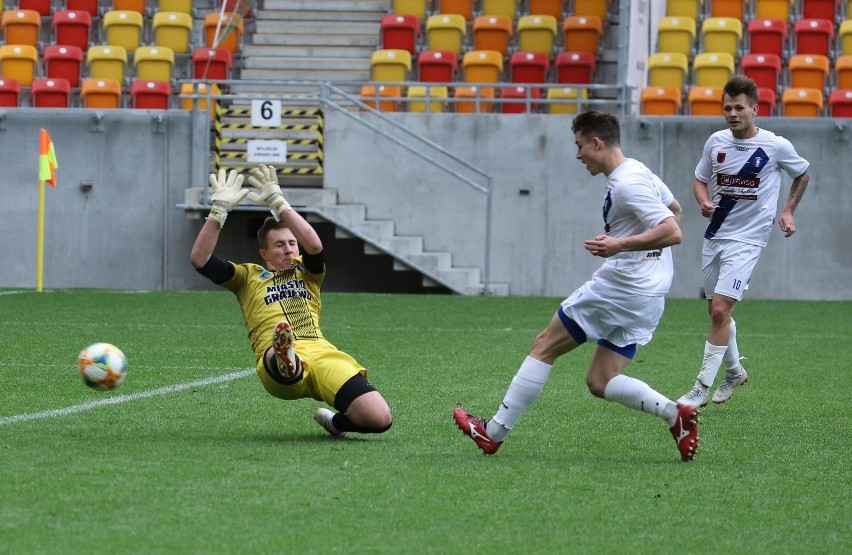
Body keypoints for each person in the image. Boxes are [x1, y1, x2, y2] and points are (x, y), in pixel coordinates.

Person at [453, 110, 700, 462]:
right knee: (600, 380)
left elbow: (673, 230)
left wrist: (621, 246)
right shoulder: (639, 171)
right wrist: (644, 253)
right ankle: (675, 414)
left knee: (544, 346)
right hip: (649, 296)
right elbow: (674, 209)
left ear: (596, 143)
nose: (578, 154)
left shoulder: (627, 183)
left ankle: (492, 432)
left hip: (619, 289)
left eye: (580, 145)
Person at [189, 164, 393, 437]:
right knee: (281, 354)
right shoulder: (247, 277)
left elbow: (314, 245)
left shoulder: (307, 272)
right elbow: (200, 260)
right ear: (264, 253)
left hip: (321, 352)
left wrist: (279, 202)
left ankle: (335, 423)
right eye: (279, 245)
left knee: (380, 418)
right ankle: (286, 356)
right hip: (274, 361)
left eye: (291, 243)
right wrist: (218, 213)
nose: (288, 249)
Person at [678, 75, 810, 408]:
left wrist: (789, 211)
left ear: (755, 108)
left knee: (721, 308)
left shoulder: (774, 146)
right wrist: (702, 201)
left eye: (739, 108)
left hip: (749, 240)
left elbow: (802, 173)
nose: (732, 113)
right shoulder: (716, 142)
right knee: (715, 311)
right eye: (727, 108)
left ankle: (700, 388)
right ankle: (735, 371)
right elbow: (699, 179)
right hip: (715, 235)